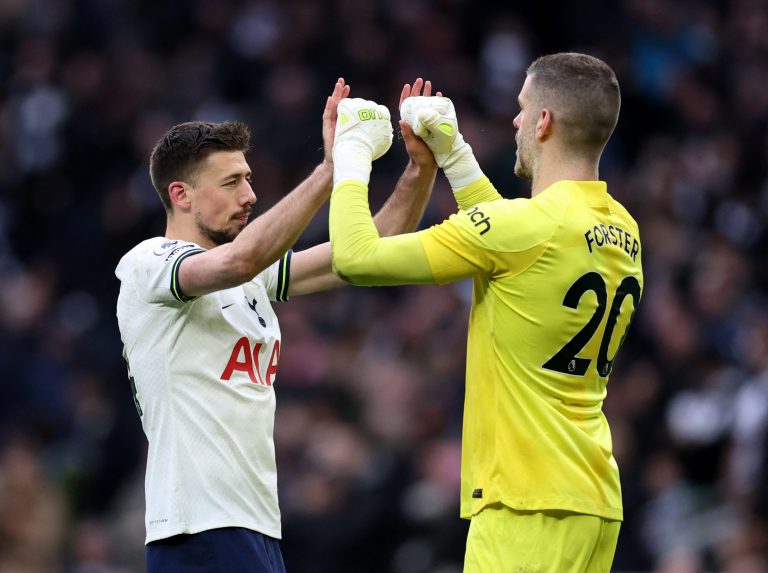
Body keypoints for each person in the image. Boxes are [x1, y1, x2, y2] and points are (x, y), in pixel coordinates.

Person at [329, 53, 643, 572]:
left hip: (525, 504)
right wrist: (454, 152)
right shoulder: (622, 226)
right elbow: (514, 248)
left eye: (522, 109)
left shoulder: (525, 228)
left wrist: (353, 151)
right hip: (592, 501)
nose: (515, 121)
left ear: (544, 122)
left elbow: (354, 257)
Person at [115, 77, 440, 573]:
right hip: (196, 530)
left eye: (247, 178)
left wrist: (421, 166)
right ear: (180, 194)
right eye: (231, 183)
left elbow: (370, 248)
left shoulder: (252, 276)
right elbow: (239, 260)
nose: (249, 194)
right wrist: (332, 170)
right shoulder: (150, 264)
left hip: (256, 526)